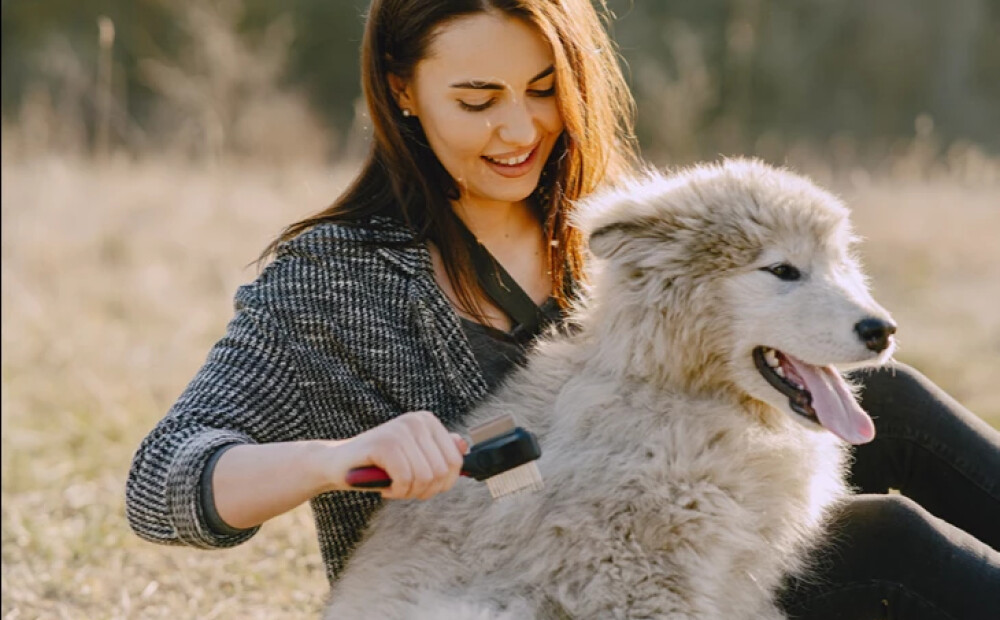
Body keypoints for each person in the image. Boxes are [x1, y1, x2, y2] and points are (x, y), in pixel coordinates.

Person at [125, 1, 1000, 617]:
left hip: (688, 542)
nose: (520, 131)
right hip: (513, 584)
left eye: (544, 88)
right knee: (889, 542)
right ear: (402, 91)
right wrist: (341, 458)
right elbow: (163, 481)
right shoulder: (337, 282)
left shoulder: (611, 228)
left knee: (885, 401)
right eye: (477, 100)